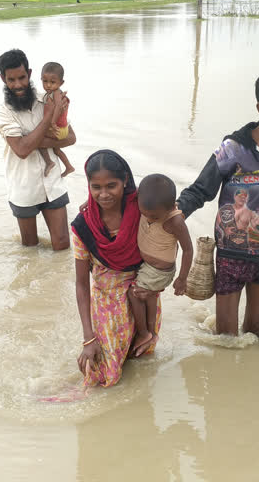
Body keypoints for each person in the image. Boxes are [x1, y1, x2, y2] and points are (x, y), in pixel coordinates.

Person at [177, 66, 259, 337]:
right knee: (227, 339)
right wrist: (172, 215)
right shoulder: (234, 148)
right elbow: (201, 190)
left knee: (254, 335)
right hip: (232, 254)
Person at [72, 150, 162, 387]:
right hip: (108, 300)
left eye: (111, 185)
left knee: (139, 357)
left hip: (143, 293)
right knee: (106, 377)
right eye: (96, 187)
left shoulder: (143, 210)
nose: (104, 194)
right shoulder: (83, 225)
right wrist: (88, 338)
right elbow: (82, 283)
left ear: (125, 181)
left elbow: (171, 211)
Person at [0, 49, 75, 250]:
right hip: (24, 188)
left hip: (53, 184)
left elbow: (71, 138)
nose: (18, 85)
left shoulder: (49, 98)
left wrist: (33, 141)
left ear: (30, 74)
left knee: (63, 245)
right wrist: (50, 116)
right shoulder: (3, 111)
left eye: (22, 77)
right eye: (11, 80)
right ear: (3, 79)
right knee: (30, 248)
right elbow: (22, 151)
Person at [128, 174, 193, 356]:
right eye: (144, 214)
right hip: (147, 266)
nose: (148, 218)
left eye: (154, 216)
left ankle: (143, 333)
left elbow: (188, 250)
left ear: (171, 207)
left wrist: (182, 278)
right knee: (148, 297)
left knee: (134, 294)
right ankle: (151, 333)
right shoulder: (148, 206)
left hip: (160, 270)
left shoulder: (175, 221)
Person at [38, 62, 75, 178]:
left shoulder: (57, 93)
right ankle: (69, 167)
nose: (48, 85)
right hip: (61, 129)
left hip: (57, 128)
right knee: (56, 150)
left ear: (61, 83)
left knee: (38, 140)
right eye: (45, 81)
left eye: (52, 82)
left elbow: (58, 107)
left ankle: (49, 162)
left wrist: (53, 122)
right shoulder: (51, 93)